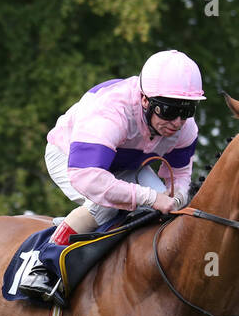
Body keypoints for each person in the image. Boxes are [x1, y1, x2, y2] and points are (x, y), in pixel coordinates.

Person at [18, 49, 204, 299]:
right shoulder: (111, 111)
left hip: (124, 164)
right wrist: (149, 197)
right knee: (109, 206)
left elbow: (180, 175)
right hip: (73, 159)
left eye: (187, 110)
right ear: (145, 100)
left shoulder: (185, 128)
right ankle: (43, 264)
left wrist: (178, 196)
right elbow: (89, 176)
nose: (178, 122)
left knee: (163, 214)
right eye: (169, 110)